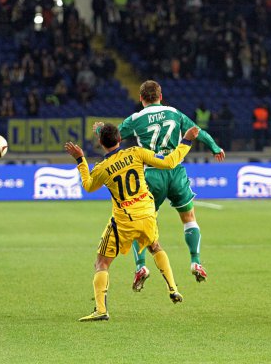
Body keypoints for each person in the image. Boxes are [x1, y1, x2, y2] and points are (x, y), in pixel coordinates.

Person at [94, 80, 225, 290]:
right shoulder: (173, 112)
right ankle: (196, 261)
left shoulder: (136, 119)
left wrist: (100, 129)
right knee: (189, 218)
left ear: (141, 98)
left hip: (152, 174)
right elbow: (196, 131)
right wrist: (215, 146)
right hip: (176, 171)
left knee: (141, 225)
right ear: (160, 96)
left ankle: (141, 267)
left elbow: (113, 138)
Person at [65, 123, 199, 322]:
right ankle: (173, 288)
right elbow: (170, 162)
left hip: (124, 221)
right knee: (155, 246)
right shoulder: (137, 153)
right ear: (120, 139)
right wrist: (186, 140)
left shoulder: (103, 168)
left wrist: (80, 159)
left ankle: (101, 310)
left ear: (101, 143)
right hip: (147, 213)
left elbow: (88, 186)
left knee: (101, 262)